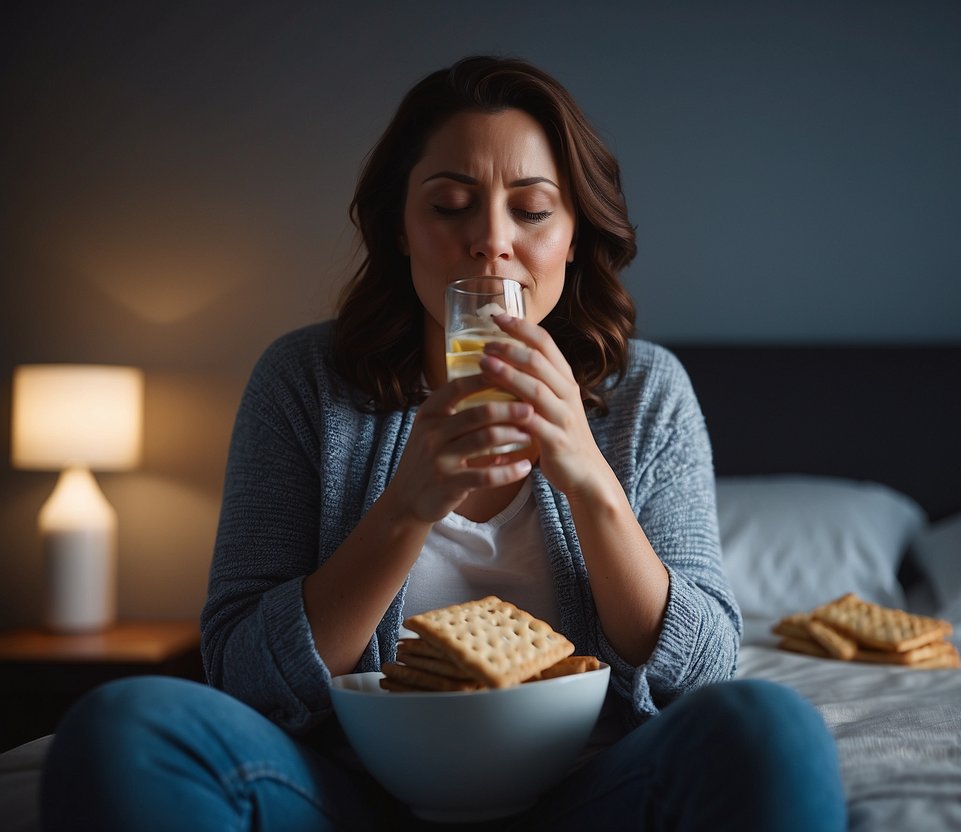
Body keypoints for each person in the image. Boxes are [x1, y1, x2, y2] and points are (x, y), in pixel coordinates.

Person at [41, 55, 845, 831]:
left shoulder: (644, 392)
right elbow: (243, 676)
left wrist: (591, 482)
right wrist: (405, 506)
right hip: (347, 794)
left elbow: (703, 672)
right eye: (450, 203)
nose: (490, 240)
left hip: (591, 793)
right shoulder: (303, 380)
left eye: (531, 209)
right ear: (400, 227)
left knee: (769, 728)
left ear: (573, 235)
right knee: (126, 722)